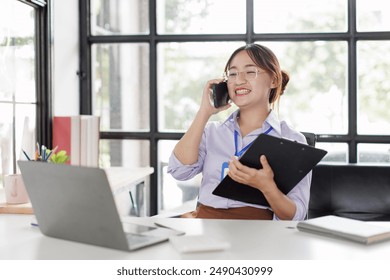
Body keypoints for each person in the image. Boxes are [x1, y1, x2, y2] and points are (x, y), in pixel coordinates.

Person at [167, 43, 310, 220]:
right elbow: (179, 171)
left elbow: (296, 216)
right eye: (232, 74)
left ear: (274, 80)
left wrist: (267, 186)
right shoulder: (212, 132)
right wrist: (204, 112)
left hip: (257, 233)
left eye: (250, 72)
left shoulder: (291, 140)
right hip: (205, 225)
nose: (239, 80)